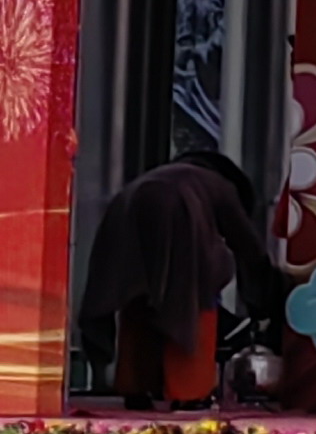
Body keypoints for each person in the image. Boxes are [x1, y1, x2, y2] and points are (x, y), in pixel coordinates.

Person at [77, 149, 285, 411]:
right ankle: (190, 391)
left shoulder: (156, 178)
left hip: (126, 214)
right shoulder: (220, 186)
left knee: (136, 303)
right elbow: (247, 245)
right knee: (193, 304)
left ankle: (136, 386)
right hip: (180, 221)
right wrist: (264, 294)